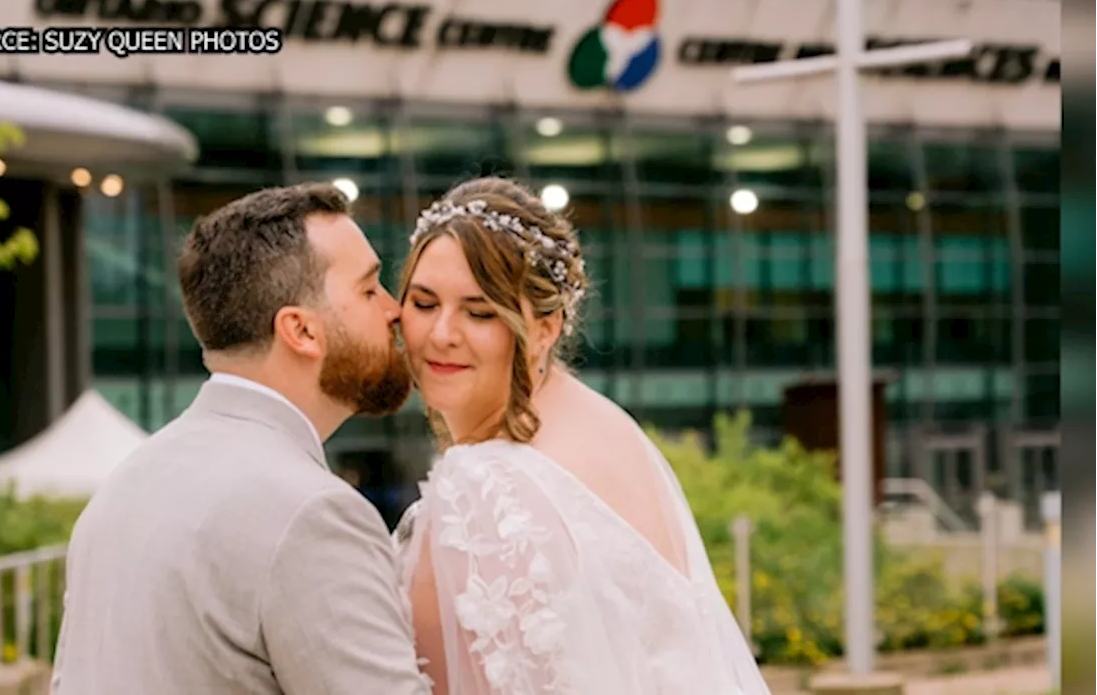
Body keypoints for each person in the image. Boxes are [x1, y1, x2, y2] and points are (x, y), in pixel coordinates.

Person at [392, 177, 771, 694]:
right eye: (424, 303)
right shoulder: (608, 425)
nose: (441, 334)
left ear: (546, 328)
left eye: (480, 312)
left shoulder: (482, 486)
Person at [51, 183, 433, 695]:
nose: (394, 310)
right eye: (369, 289)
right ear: (301, 331)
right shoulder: (314, 514)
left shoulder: (121, 488)